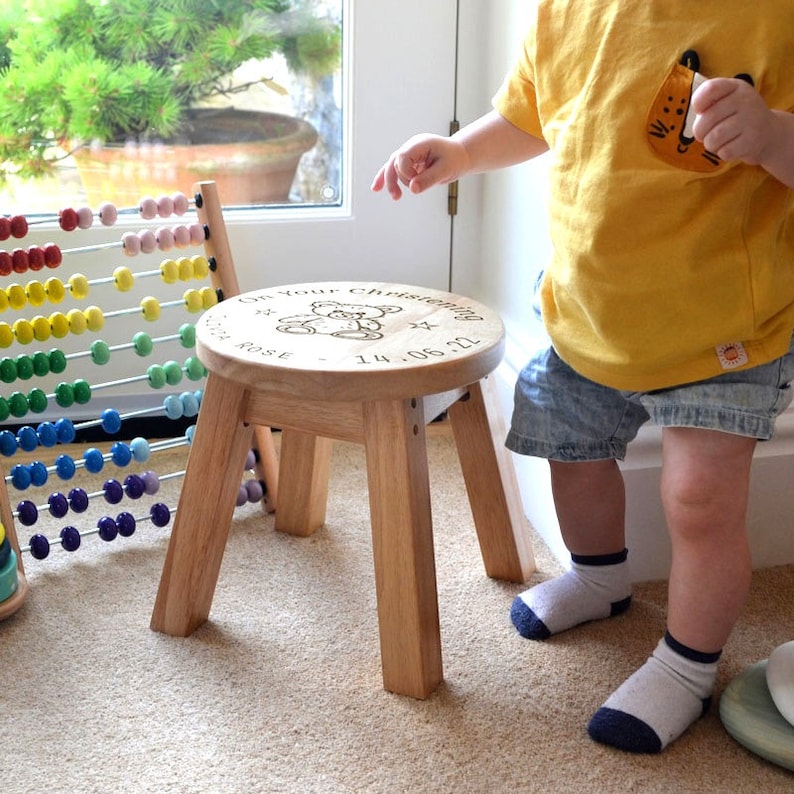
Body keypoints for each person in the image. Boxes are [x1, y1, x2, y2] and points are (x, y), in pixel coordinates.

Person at [371, 1, 794, 754]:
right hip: (590, 310)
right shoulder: (570, 10)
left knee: (700, 500)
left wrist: (771, 137)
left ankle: (689, 666)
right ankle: (599, 579)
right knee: (571, 446)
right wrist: (461, 152)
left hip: (723, 327)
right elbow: (533, 112)